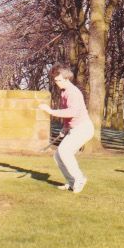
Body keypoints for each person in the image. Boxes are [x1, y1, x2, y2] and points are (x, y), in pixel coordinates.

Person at [38, 63, 94, 193]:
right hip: (75, 129)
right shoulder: (64, 92)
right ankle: (72, 182)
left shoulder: (73, 92)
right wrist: (65, 127)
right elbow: (68, 115)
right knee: (58, 155)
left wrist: (51, 111)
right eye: (55, 80)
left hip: (83, 128)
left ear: (67, 78)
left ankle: (80, 179)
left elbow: (72, 112)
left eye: (59, 80)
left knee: (64, 151)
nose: (57, 83)